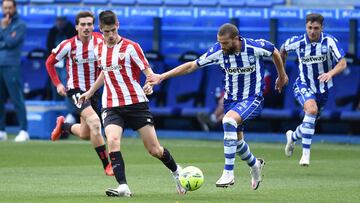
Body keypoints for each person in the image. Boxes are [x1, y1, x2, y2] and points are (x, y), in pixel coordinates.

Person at [147, 23, 288, 190]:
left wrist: (282, 75)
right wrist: (162, 76)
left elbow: (275, 52)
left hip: (252, 98)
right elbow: (192, 65)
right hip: (231, 101)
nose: (222, 46)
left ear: (236, 39)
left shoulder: (254, 46)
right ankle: (255, 164)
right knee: (236, 143)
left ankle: (228, 172)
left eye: (225, 43)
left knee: (228, 120)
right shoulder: (218, 52)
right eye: (220, 42)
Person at [78, 10, 186, 197]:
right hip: (111, 104)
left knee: (154, 149)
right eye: (106, 32)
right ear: (100, 30)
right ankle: (123, 186)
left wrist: (150, 84)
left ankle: (177, 171)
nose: (110, 35)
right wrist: (91, 91)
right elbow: (105, 71)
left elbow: (149, 73)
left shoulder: (131, 47)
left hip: (136, 103)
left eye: (113, 30)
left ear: (118, 25)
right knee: (112, 140)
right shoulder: (99, 49)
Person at [45, 11, 113, 176]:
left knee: (85, 133)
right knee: (96, 124)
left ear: (93, 26)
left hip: (95, 91)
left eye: (89, 24)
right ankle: (107, 165)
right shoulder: (68, 45)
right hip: (77, 91)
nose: (86, 28)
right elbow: (49, 63)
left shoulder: (100, 41)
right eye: (82, 24)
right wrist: (58, 84)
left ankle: (64, 126)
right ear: (76, 27)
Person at [280, 13, 347, 166]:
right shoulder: (297, 42)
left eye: (316, 28)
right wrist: (282, 74)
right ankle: (305, 155)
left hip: (323, 90)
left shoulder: (329, 41)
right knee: (311, 110)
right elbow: (282, 50)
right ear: (306, 27)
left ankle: (292, 137)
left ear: (322, 28)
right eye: (309, 27)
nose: (312, 31)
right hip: (302, 84)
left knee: (309, 122)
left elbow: (342, 63)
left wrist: (330, 73)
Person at [0, 0, 29, 142]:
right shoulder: (2, 23)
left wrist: (4, 29)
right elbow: (6, 42)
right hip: (0, 65)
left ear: (15, 8)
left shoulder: (20, 25)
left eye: (10, 7)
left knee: (16, 98)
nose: (7, 10)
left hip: (11, 66)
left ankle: (23, 130)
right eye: (5, 8)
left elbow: (11, 43)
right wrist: (5, 34)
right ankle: (1, 130)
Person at [46, 16, 77, 123]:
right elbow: (49, 46)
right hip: (56, 63)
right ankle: (57, 116)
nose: (59, 23)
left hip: (67, 63)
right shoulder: (52, 31)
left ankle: (70, 114)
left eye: (61, 20)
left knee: (67, 88)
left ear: (65, 21)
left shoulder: (71, 30)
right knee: (55, 88)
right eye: (57, 20)